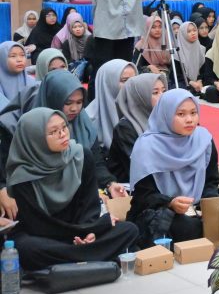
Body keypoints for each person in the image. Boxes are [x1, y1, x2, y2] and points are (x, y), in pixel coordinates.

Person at [5, 107, 140, 271]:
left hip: (80, 230)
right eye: (53, 132)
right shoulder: (23, 175)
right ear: (35, 138)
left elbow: (89, 207)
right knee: (24, 247)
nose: (63, 134)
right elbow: (37, 225)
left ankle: (72, 261)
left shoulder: (80, 156)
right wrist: (91, 229)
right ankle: (91, 257)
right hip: (44, 235)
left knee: (129, 230)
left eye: (64, 127)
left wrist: (89, 233)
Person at [128, 90, 219, 245]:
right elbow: (143, 196)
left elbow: (211, 180)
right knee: (187, 227)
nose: (190, 120)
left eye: (193, 113)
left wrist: (208, 205)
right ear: (166, 114)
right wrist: (170, 202)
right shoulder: (147, 146)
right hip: (159, 208)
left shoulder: (203, 139)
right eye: (181, 114)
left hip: (196, 205)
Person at [107, 73, 165, 184]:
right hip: (130, 189)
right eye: (155, 93)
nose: (162, 96)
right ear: (140, 97)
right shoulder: (126, 128)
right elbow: (140, 168)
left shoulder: (163, 120)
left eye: (164, 91)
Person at [84, 59, 137, 161]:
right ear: (108, 83)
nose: (131, 85)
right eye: (125, 80)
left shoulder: (140, 109)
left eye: (134, 79)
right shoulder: (88, 120)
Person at [57, 13, 92, 80]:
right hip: (74, 67)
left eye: (80, 26)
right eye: (74, 27)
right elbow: (66, 59)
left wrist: (84, 64)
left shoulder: (90, 40)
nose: (78, 29)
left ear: (84, 28)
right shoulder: (67, 43)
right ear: (71, 29)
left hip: (87, 66)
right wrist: (78, 64)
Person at [0, 42, 32, 111]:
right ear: (2, 58)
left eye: (22, 55)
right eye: (13, 56)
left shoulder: (32, 82)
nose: (19, 60)